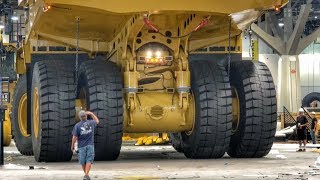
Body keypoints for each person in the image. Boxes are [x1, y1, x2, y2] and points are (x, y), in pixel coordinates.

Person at [71, 110, 99, 180]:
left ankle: (86, 175)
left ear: (79, 117)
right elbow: (97, 121)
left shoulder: (77, 125)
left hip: (81, 146)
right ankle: (86, 175)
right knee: (89, 160)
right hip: (90, 145)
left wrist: (72, 145)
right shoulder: (91, 123)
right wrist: (91, 114)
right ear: (86, 116)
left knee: (83, 161)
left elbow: (74, 137)